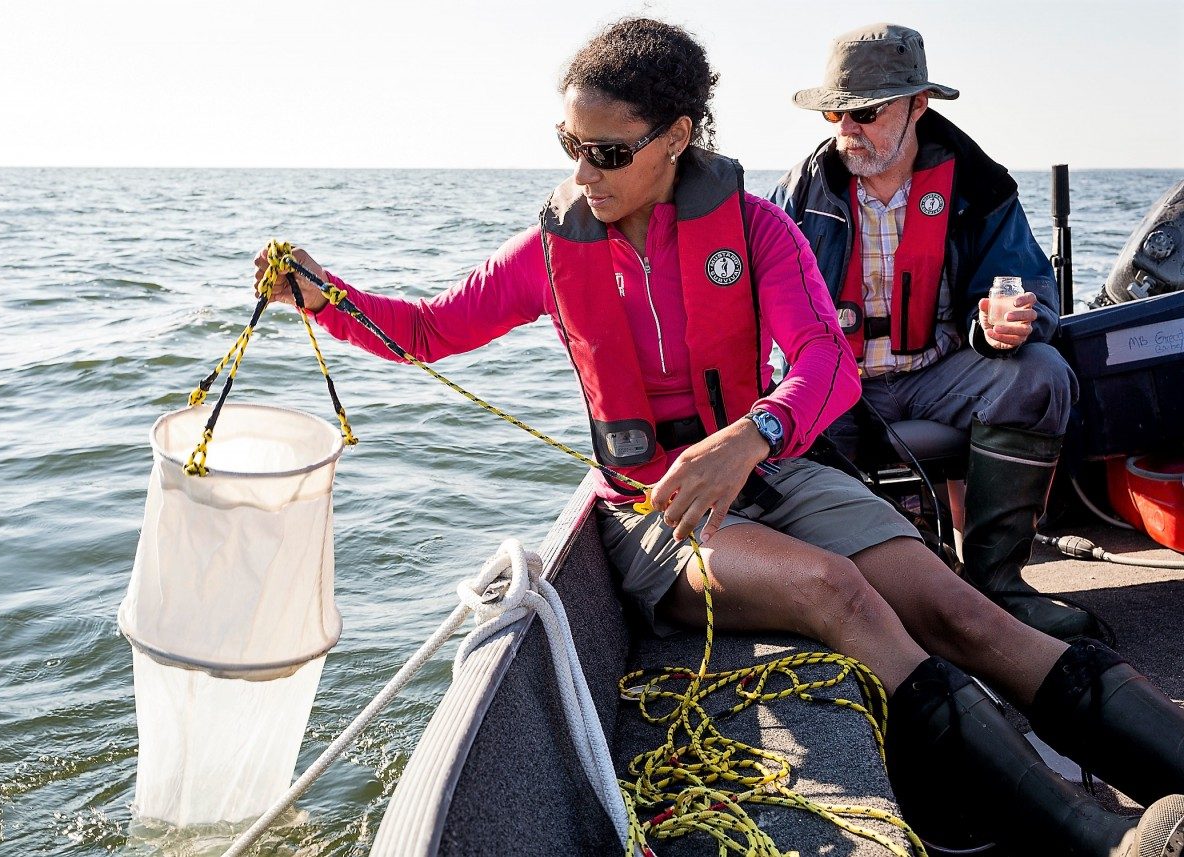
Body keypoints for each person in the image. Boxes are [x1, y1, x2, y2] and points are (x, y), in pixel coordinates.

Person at [256, 18, 1184, 856]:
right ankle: (1094, 839)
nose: (583, 171)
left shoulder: (758, 228)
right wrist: (321, 293)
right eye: (569, 145)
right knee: (838, 590)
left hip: (776, 474)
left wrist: (754, 434)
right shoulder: (549, 249)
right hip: (659, 517)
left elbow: (823, 364)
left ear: (676, 139)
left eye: (607, 151)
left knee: (966, 610)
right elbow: (424, 333)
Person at [768, 23, 1090, 641]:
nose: (845, 130)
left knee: (1043, 374)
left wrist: (1005, 324)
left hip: (939, 371)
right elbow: (757, 306)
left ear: (919, 105)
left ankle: (998, 585)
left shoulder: (982, 186)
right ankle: (842, 595)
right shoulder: (797, 192)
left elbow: (1029, 289)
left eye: (864, 112)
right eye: (835, 112)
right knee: (773, 436)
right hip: (835, 379)